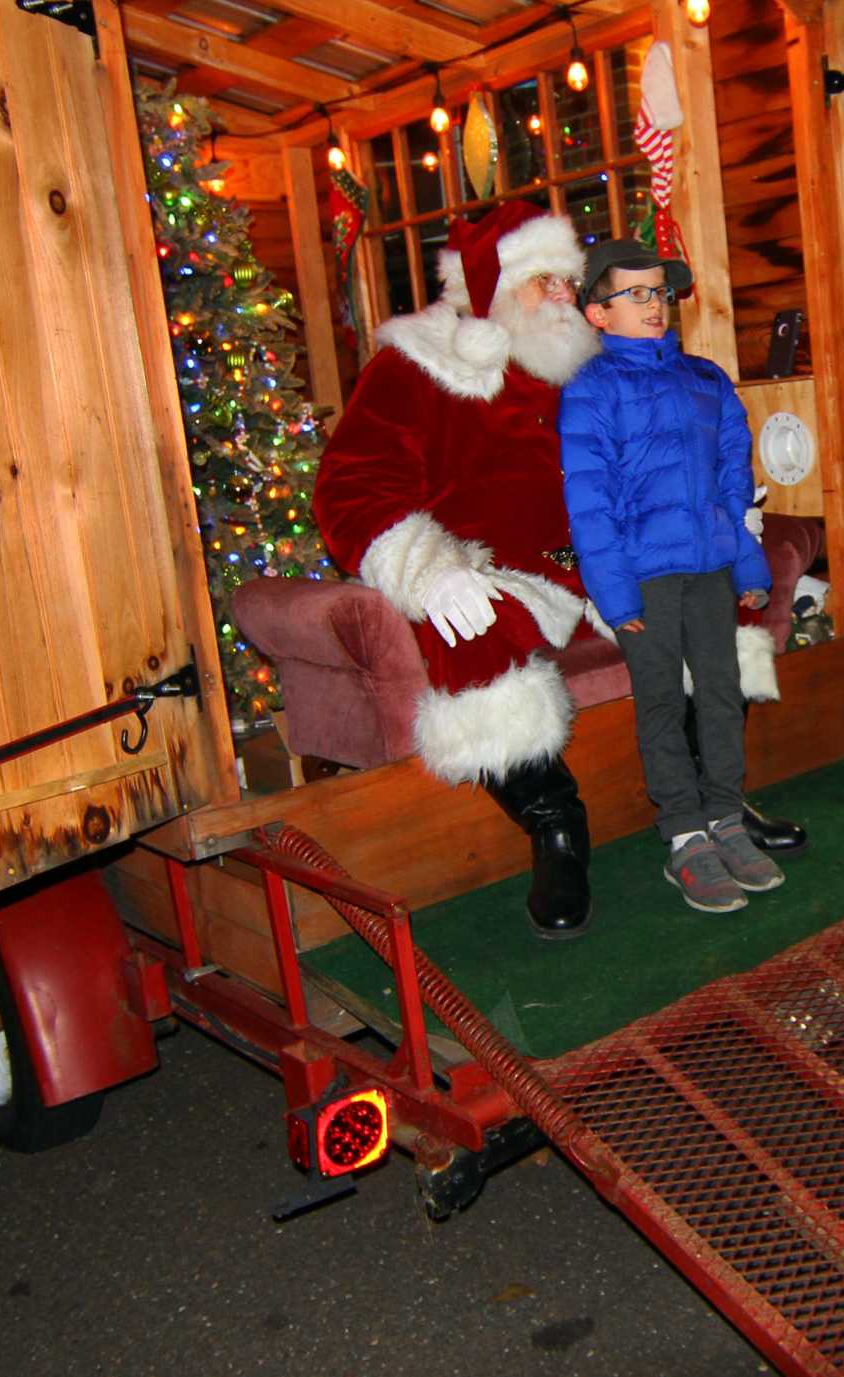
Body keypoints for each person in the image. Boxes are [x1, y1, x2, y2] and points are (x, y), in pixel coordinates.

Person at [315, 200, 603, 941]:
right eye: (548, 282)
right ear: (494, 284)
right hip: (499, 577)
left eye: (570, 282)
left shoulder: (581, 371)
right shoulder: (416, 365)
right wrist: (429, 568)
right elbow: (350, 487)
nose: (566, 298)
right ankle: (557, 823)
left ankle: (718, 802)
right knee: (468, 620)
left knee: (697, 578)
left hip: (597, 569)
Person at [560, 240, 782, 913]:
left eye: (659, 291)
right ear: (598, 314)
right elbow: (589, 502)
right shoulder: (591, 391)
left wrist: (748, 561)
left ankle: (725, 818)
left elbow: (732, 485)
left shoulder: (706, 381)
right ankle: (684, 835)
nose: (653, 304)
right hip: (644, 577)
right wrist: (615, 591)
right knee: (660, 702)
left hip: (711, 565)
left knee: (720, 690)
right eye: (635, 294)